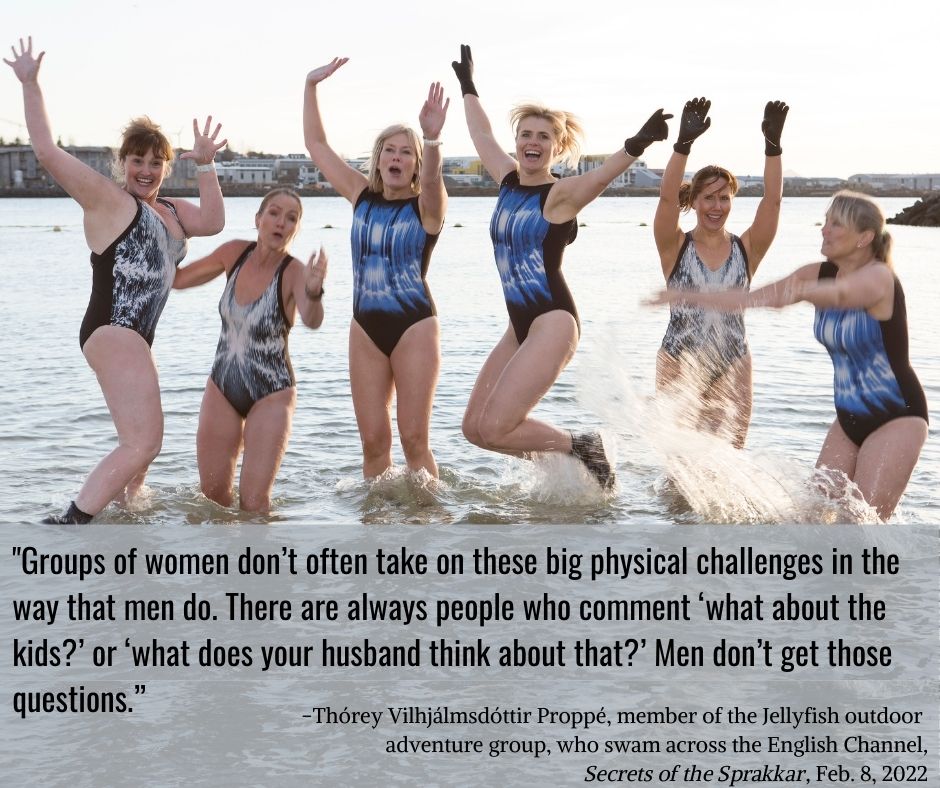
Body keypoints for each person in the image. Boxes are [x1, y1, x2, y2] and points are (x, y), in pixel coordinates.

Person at [5, 37, 227, 523]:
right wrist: (30, 83)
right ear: (122, 163)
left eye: (155, 162)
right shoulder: (110, 201)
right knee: (144, 440)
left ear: (167, 166)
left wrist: (207, 165)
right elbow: (45, 151)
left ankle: (127, 523)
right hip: (113, 329)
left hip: (135, 338)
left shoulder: (170, 211)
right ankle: (70, 524)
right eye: (137, 160)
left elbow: (213, 222)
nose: (146, 171)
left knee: (139, 450)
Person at [451, 44, 670, 489]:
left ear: (557, 146)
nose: (533, 142)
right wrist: (469, 86)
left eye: (543, 137)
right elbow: (480, 136)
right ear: (518, 143)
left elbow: (602, 176)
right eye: (526, 135)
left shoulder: (560, 195)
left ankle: (582, 446)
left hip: (552, 320)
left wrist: (637, 143)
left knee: (497, 427)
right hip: (520, 324)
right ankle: (567, 467)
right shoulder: (508, 180)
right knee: (475, 429)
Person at [647, 191, 928, 521]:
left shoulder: (879, 276)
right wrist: (692, 296)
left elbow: (843, 294)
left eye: (836, 224)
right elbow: (754, 297)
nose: (825, 230)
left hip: (897, 415)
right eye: (825, 222)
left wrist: (797, 293)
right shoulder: (817, 272)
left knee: (862, 529)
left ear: (863, 238)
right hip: (848, 418)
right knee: (813, 518)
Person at [304, 59, 448, 479]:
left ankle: (429, 528)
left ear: (416, 163)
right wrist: (311, 86)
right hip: (364, 328)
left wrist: (433, 138)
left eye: (407, 152)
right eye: (390, 150)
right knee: (372, 443)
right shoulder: (361, 195)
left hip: (414, 327)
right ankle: (374, 533)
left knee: (414, 440)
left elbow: (436, 182)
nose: (397, 157)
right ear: (379, 158)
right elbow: (317, 145)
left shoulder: (426, 209)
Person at [172, 189, 327, 512]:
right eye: (273, 212)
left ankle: (258, 559)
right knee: (212, 496)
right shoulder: (233, 253)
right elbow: (178, 279)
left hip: (272, 392)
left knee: (254, 503)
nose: (280, 222)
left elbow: (312, 321)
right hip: (222, 386)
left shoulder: (296, 272)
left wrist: (313, 292)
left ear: (296, 230)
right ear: (258, 219)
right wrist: (166, 231)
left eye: (291, 218)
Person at [653, 97, 788, 448]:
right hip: (679, 360)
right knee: (680, 466)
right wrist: (683, 144)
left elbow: (772, 201)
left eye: (724, 198)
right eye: (709, 198)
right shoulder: (674, 247)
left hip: (733, 362)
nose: (717, 206)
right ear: (695, 201)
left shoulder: (747, 249)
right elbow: (667, 200)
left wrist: (772, 147)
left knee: (730, 461)